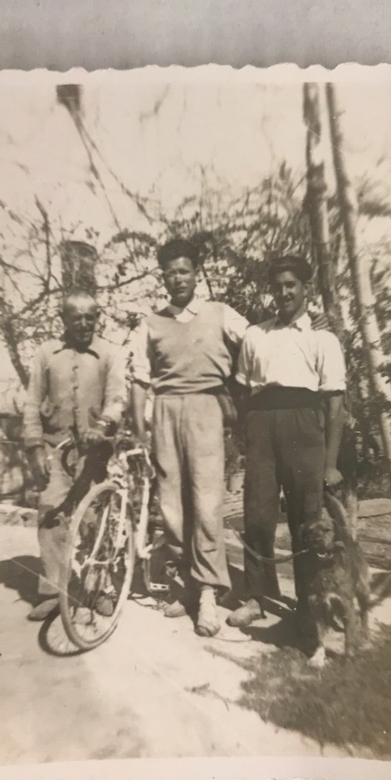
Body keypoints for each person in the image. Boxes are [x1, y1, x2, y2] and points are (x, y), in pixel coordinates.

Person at [226, 255, 346, 658]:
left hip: (303, 426)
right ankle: (257, 596)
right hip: (262, 424)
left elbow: (334, 404)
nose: (283, 292)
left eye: (291, 284)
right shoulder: (256, 335)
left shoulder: (323, 339)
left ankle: (308, 609)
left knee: (307, 521)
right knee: (257, 514)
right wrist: (247, 436)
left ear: (305, 288)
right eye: (277, 286)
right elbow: (242, 390)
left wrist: (330, 463)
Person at [130, 238, 249, 637]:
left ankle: (209, 596)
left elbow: (256, 343)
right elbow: (140, 378)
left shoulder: (220, 313)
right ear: (162, 277)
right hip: (165, 411)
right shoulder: (150, 323)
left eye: (184, 270)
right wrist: (141, 427)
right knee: (171, 505)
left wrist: (237, 396)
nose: (177, 278)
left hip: (206, 410)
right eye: (170, 272)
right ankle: (187, 586)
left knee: (206, 502)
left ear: (196, 273)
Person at [22, 291, 127, 621]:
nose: (84, 323)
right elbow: (31, 402)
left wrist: (104, 425)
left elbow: (118, 398)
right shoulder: (46, 354)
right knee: (51, 515)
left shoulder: (110, 353)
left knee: (97, 520)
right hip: (56, 449)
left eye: (90, 317)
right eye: (76, 317)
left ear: (98, 318)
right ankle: (55, 591)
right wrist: (34, 446)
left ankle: (98, 589)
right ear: (63, 319)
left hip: (96, 453)